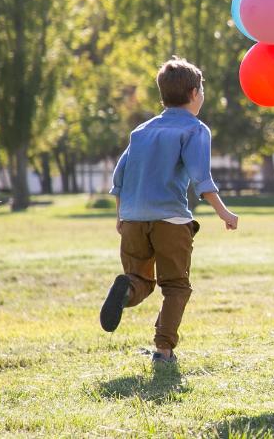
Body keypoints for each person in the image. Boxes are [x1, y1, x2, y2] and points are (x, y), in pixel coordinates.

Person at [99, 57, 240, 364]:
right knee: (175, 286)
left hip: (134, 219)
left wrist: (121, 217)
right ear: (194, 93)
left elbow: (119, 178)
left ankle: (127, 289)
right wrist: (224, 213)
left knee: (140, 280)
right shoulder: (195, 129)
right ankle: (163, 350)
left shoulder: (142, 131)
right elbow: (202, 179)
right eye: (202, 89)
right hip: (170, 220)